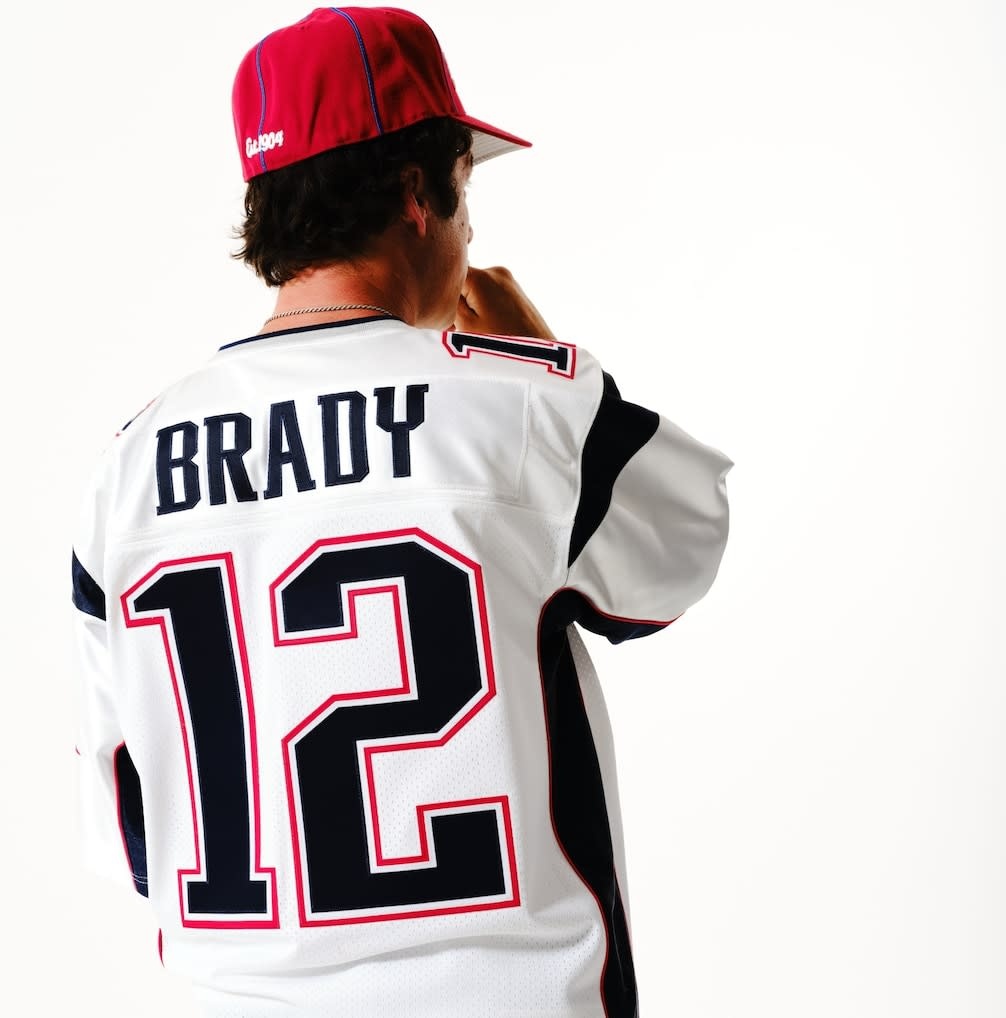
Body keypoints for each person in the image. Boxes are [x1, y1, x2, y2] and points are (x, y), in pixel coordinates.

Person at [71, 7, 733, 1017]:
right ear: (418, 195)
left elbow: (128, 819)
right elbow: (685, 546)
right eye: (467, 190)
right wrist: (540, 356)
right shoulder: (522, 402)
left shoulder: (125, 468)